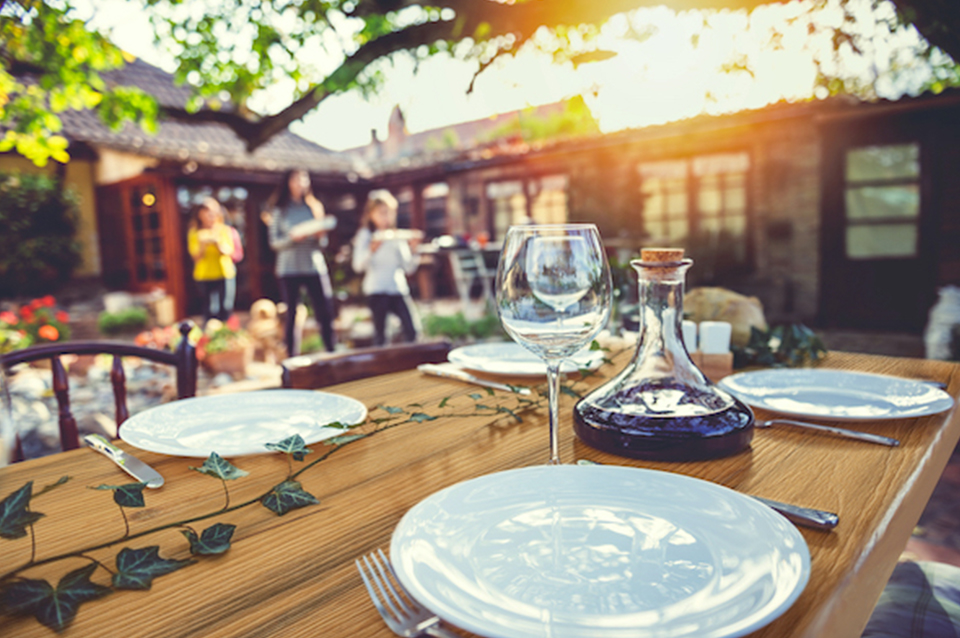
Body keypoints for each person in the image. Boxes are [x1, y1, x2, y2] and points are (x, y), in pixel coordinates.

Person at [267, 169, 336, 356]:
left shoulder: (313, 207)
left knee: (324, 311)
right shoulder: (280, 209)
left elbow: (323, 243)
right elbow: (274, 242)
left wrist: (320, 236)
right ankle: (292, 357)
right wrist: (293, 238)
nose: (301, 183)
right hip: (289, 269)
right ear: (288, 182)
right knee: (292, 314)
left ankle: (332, 352)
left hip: (313, 266)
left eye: (304, 178)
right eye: (296, 179)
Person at [351, 190, 421, 346]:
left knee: (412, 331)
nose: (386, 217)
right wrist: (371, 250)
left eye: (389, 213)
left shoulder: (396, 236)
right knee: (381, 335)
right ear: (371, 214)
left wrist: (414, 250)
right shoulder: (366, 235)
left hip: (397, 288)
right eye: (382, 213)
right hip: (376, 289)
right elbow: (358, 266)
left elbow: (408, 268)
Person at [187, 198, 235, 323]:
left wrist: (217, 243)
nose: (210, 214)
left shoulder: (224, 230)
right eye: (207, 211)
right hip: (205, 275)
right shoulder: (195, 232)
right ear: (200, 214)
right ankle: (210, 337)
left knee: (225, 307)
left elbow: (230, 251)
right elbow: (195, 257)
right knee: (209, 309)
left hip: (224, 273)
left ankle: (227, 334)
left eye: (213, 211)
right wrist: (203, 245)